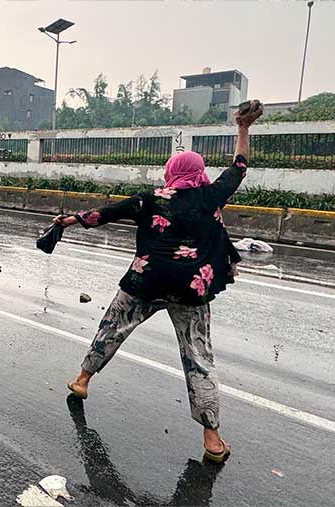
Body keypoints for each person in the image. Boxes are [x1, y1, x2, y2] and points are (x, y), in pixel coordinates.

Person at [58, 100, 264, 464]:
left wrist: (68, 221)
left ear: (171, 171)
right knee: (199, 357)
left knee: (112, 328)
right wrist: (243, 128)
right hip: (191, 288)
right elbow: (240, 167)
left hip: (145, 280)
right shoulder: (211, 195)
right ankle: (213, 439)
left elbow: (104, 214)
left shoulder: (151, 199)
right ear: (199, 172)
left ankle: (82, 381)